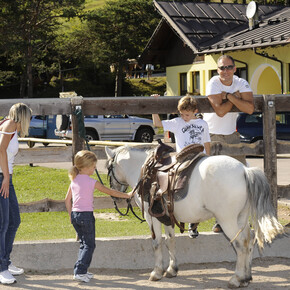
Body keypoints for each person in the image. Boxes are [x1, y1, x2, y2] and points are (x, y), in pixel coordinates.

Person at [65, 150, 134, 283]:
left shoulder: (74, 180)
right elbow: (110, 191)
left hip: (75, 215)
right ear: (85, 167)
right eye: (93, 167)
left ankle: (81, 270)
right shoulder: (92, 182)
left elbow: (67, 200)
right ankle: (79, 272)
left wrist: (71, 215)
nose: (94, 169)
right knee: (89, 245)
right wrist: (127, 195)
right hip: (86, 216)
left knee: (84, 244)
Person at [203, 55, 254, 233]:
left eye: (228, 67)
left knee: (242, 177)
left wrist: (229, 97)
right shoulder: (213, 83)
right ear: (217, 70)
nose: (225, 71)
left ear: (234, 68)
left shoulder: (241, 82)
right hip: (211, 134)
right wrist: (237, 99)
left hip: (232, 135)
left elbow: (250, 109)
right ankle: (219, 221)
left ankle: (242, 218)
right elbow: (220, 111)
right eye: (221, 68)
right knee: (215, 180)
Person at [152, 94, 211, 238]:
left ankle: (195, 221)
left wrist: (208, 158)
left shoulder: (203, 124)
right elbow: (157, 123)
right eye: (182, 114)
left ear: (195, 111)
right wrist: (154, 106)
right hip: (183, 157)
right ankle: (171, 207)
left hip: (200, 157)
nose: (184, 117)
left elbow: (207, 142)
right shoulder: (177, 122)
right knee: (176, 182)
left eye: (187, 114)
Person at [0, 103, 32, 284]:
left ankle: (5, 259)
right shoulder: (10, 125)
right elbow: (0, 151)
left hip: (6, 178)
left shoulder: (9, 126)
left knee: (13, 220)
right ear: (22, 116)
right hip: (1, 178)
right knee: (3, 223)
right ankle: (1, 268)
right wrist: (5, 177)